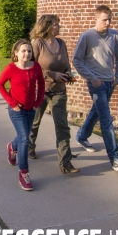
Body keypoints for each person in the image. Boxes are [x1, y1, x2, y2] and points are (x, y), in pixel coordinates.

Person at [73, 5, 118, 171]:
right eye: (104, 19)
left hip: (109, 82)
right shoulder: (87, 36)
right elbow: (77, 60)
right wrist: (92, 78)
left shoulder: (115, 35)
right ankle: (115, 158)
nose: (108, 23)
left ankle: (82, 136)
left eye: (110, 19)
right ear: (96, 19)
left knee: (96, 111)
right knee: (106, 119)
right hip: (96, 84)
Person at [28, 15, 80, 175]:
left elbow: (65, 63)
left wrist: (67, 74)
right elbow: (31, 67)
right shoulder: (37, 43)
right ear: (47, 26)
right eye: (56, 24)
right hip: (40, 90)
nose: (59, 27)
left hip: (59, 90)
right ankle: (29, 146)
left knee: (62, 126)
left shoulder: (61, 43)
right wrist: (52, 74)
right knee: (34, 122)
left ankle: (65, 162)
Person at [0, 39, 45, 191]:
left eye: (29, 51)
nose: (27, 53)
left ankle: (12, 146)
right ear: (16, 53)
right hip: (16, 109)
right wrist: (11, 103)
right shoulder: (11, 68)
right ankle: (24, 172)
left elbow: (42, 84)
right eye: (23, 51)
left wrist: (38, 101)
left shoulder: (35, 66)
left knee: (23, 136)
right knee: (25, 138)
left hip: (31, 108)